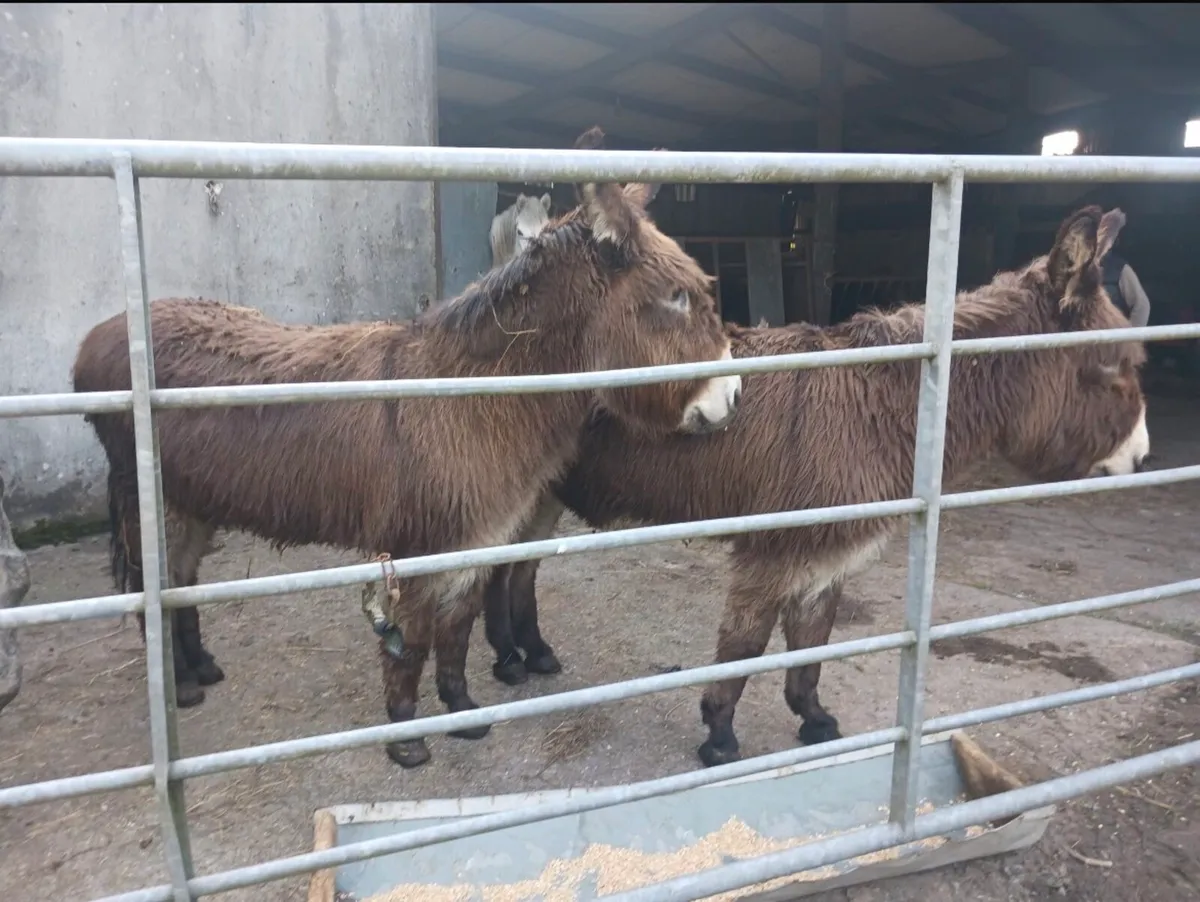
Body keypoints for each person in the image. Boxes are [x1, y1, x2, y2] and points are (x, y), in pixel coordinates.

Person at [1102, 247, 1151, 328]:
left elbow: (1141, 306)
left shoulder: (1118, 268)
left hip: (1114, 337)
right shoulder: (1077, 269)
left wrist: (1131, 336)